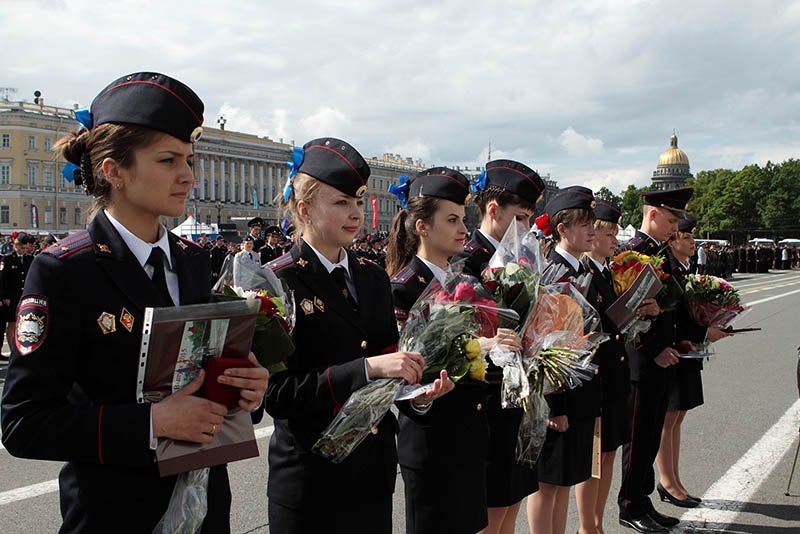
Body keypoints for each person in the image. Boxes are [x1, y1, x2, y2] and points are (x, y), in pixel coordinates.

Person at [0, 72, 269, 533]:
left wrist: (246, 390)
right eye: (168, 160)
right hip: (115, 514)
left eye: (189, 158)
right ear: (114, 171)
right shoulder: (65, 269)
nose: (189, 175)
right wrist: (153, 422)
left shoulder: (192, 260)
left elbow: (200, 381)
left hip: (205, 511)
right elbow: (24, 423)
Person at [264, 138, 451, 534]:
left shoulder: (371, 277)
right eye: (340, 202)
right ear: (304, 210)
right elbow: (277, 395)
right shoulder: (280, 281)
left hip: (372, 474)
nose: (355, 213)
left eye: (359, 202)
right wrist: (366, 369)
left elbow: (388, 367)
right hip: (310, 483)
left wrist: (418, 394)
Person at [386, 167, 490, 534]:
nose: (464, 229)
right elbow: (398, 378)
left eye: (463, 219)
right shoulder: (401, 289)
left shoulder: (467, 284)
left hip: (470, 432)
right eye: (452, 219)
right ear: (422, 227)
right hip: (431, 441)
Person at [451, 159, 544, 534]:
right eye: (520, 218)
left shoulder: (525, 260)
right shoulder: (466, 260)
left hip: (517, 396)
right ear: (493, 210)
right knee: (490, 510)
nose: (526, 229)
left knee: (512, 501)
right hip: (485, 400)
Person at [618, 188, 694, 533]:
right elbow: (630, 317)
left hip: (664, 358)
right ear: (653, 214)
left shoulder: (659, 252)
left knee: (649, 438)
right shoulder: (633, 255)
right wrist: (654, 349)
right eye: (671, 218)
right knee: (638, 437)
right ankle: (630, 505)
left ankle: (643, 500)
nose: (675, 227)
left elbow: (665, 308)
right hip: (642, 364)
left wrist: (678, 339)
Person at [527, 186, 601, 534]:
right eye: (585, 224)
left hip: (580, 392)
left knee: (565, 481)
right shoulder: (552, 272)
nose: (593, 231)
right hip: (559, 397)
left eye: (593, 223)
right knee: (548, 484)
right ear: (562, 229)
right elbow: (542, 346)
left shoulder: (582, 269)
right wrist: (555, 405)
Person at [655, 215, 728, 512]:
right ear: (673, 241)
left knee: (678, 417)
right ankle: (667, 480)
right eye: (686, 237)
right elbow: (672, 319)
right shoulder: (667, 269)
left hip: (686, 352)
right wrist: (702, 331)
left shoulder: (684, 268)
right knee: (668, 418)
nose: (691, 242)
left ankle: (674, 478)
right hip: (673, 351)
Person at [577, 200, 637, 534]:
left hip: (615, 376)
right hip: (596, 377)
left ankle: (597, 522)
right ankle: (589, 527)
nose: (616, 240)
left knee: (610, 453)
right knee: (595, 460)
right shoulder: (584, 274)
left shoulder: (609, 272)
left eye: (616, 233)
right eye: (609, 232)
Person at [1, 232, 35, 352]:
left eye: (26, 248)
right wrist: (3, 296)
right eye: (21, 248)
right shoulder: (8, 259)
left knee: (22, 322)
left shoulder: (30, 259)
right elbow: (3, 279)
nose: (23, 250)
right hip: (11, 297)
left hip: (24, 296)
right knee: (12, 322)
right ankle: (12, 348)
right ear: (16, 246)